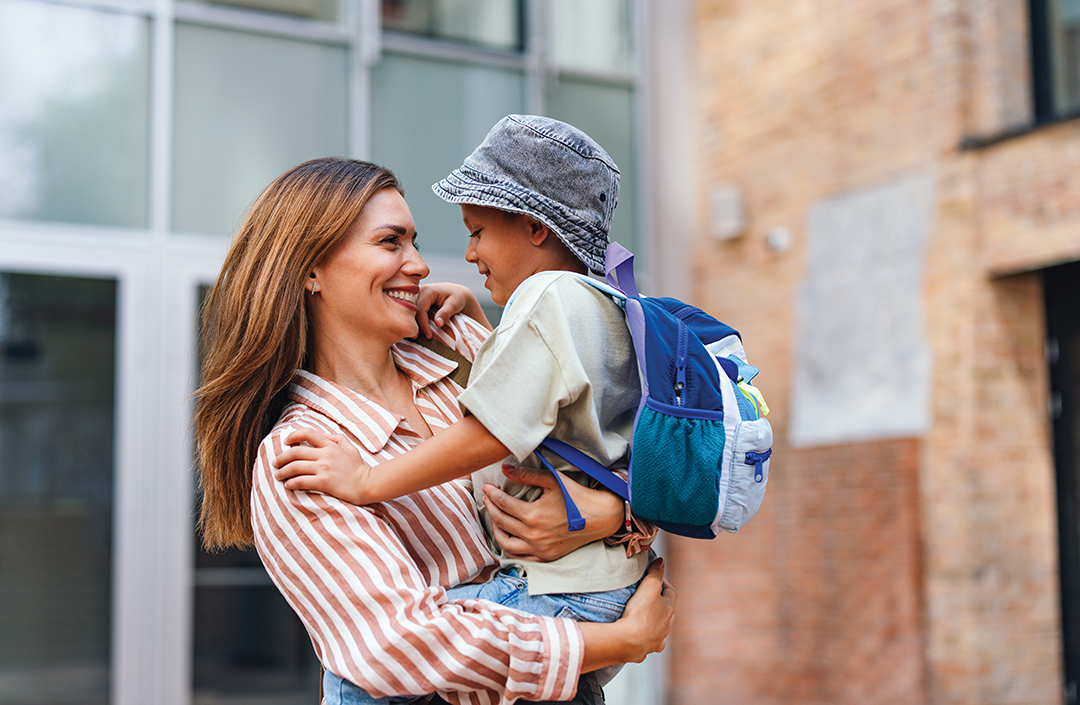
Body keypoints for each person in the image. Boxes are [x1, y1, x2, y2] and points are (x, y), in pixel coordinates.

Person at [193, 156, 675, 705]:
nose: (419, 265)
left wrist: (613, 515)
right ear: (310, 269)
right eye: (390, 242)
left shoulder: (466, 354)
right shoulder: (303, 455)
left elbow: (613, 455)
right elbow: (397, 645)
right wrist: (617, 641)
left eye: (415, 242)